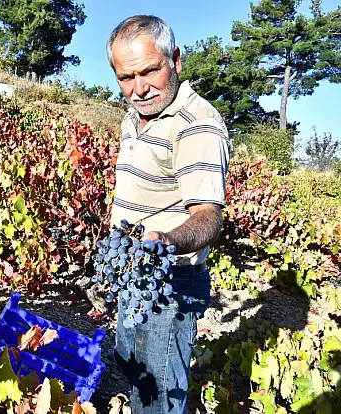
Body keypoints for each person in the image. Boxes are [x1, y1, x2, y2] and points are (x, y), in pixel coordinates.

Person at [105, 15, 230, 413]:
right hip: (135, 271)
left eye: (149, 71)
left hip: (169, 280)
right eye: (126, 77)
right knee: (134, 369)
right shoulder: (136, 116)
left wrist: (166, 242)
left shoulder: (196, 125)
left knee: (158, 398)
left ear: (175, 59)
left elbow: (209, 216)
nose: (138, 89)